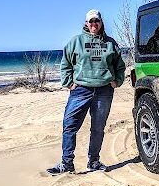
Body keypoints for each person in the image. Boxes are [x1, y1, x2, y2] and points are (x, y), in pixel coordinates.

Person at [47, 9, 126, 175]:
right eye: (91, 21)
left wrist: (117, 81)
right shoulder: (76, 41)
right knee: (69, 126)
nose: (94, 24)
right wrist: (68, 83)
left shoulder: (110, 43)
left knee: (98, 128)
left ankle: (94, 162)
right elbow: (66, 63)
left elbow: (120, 65)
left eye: (96, 20)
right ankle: (66, 163)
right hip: (81, 91)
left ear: (101, 22)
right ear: (86, 23)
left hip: (104, 91)